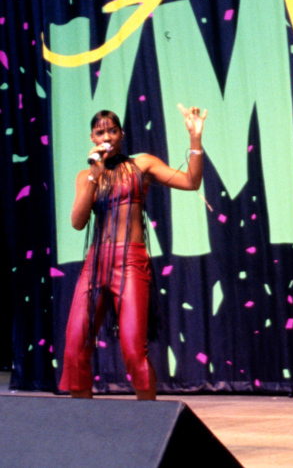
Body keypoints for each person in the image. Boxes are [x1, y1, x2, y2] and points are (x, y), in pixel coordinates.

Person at [59, 105, 208, 400]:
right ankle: (80, 424)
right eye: (100, 132)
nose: (107, 137)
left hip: (130, 261)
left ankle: (149, 423)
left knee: (132, 348)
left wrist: (195, 140)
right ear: (92, 137)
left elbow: (191, 182)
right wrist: (93, 174)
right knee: (75, 348)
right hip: (95, 264)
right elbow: (77, 223)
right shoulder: (86, 175)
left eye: (112, 131)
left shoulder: (142, 165)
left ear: (121, 134)